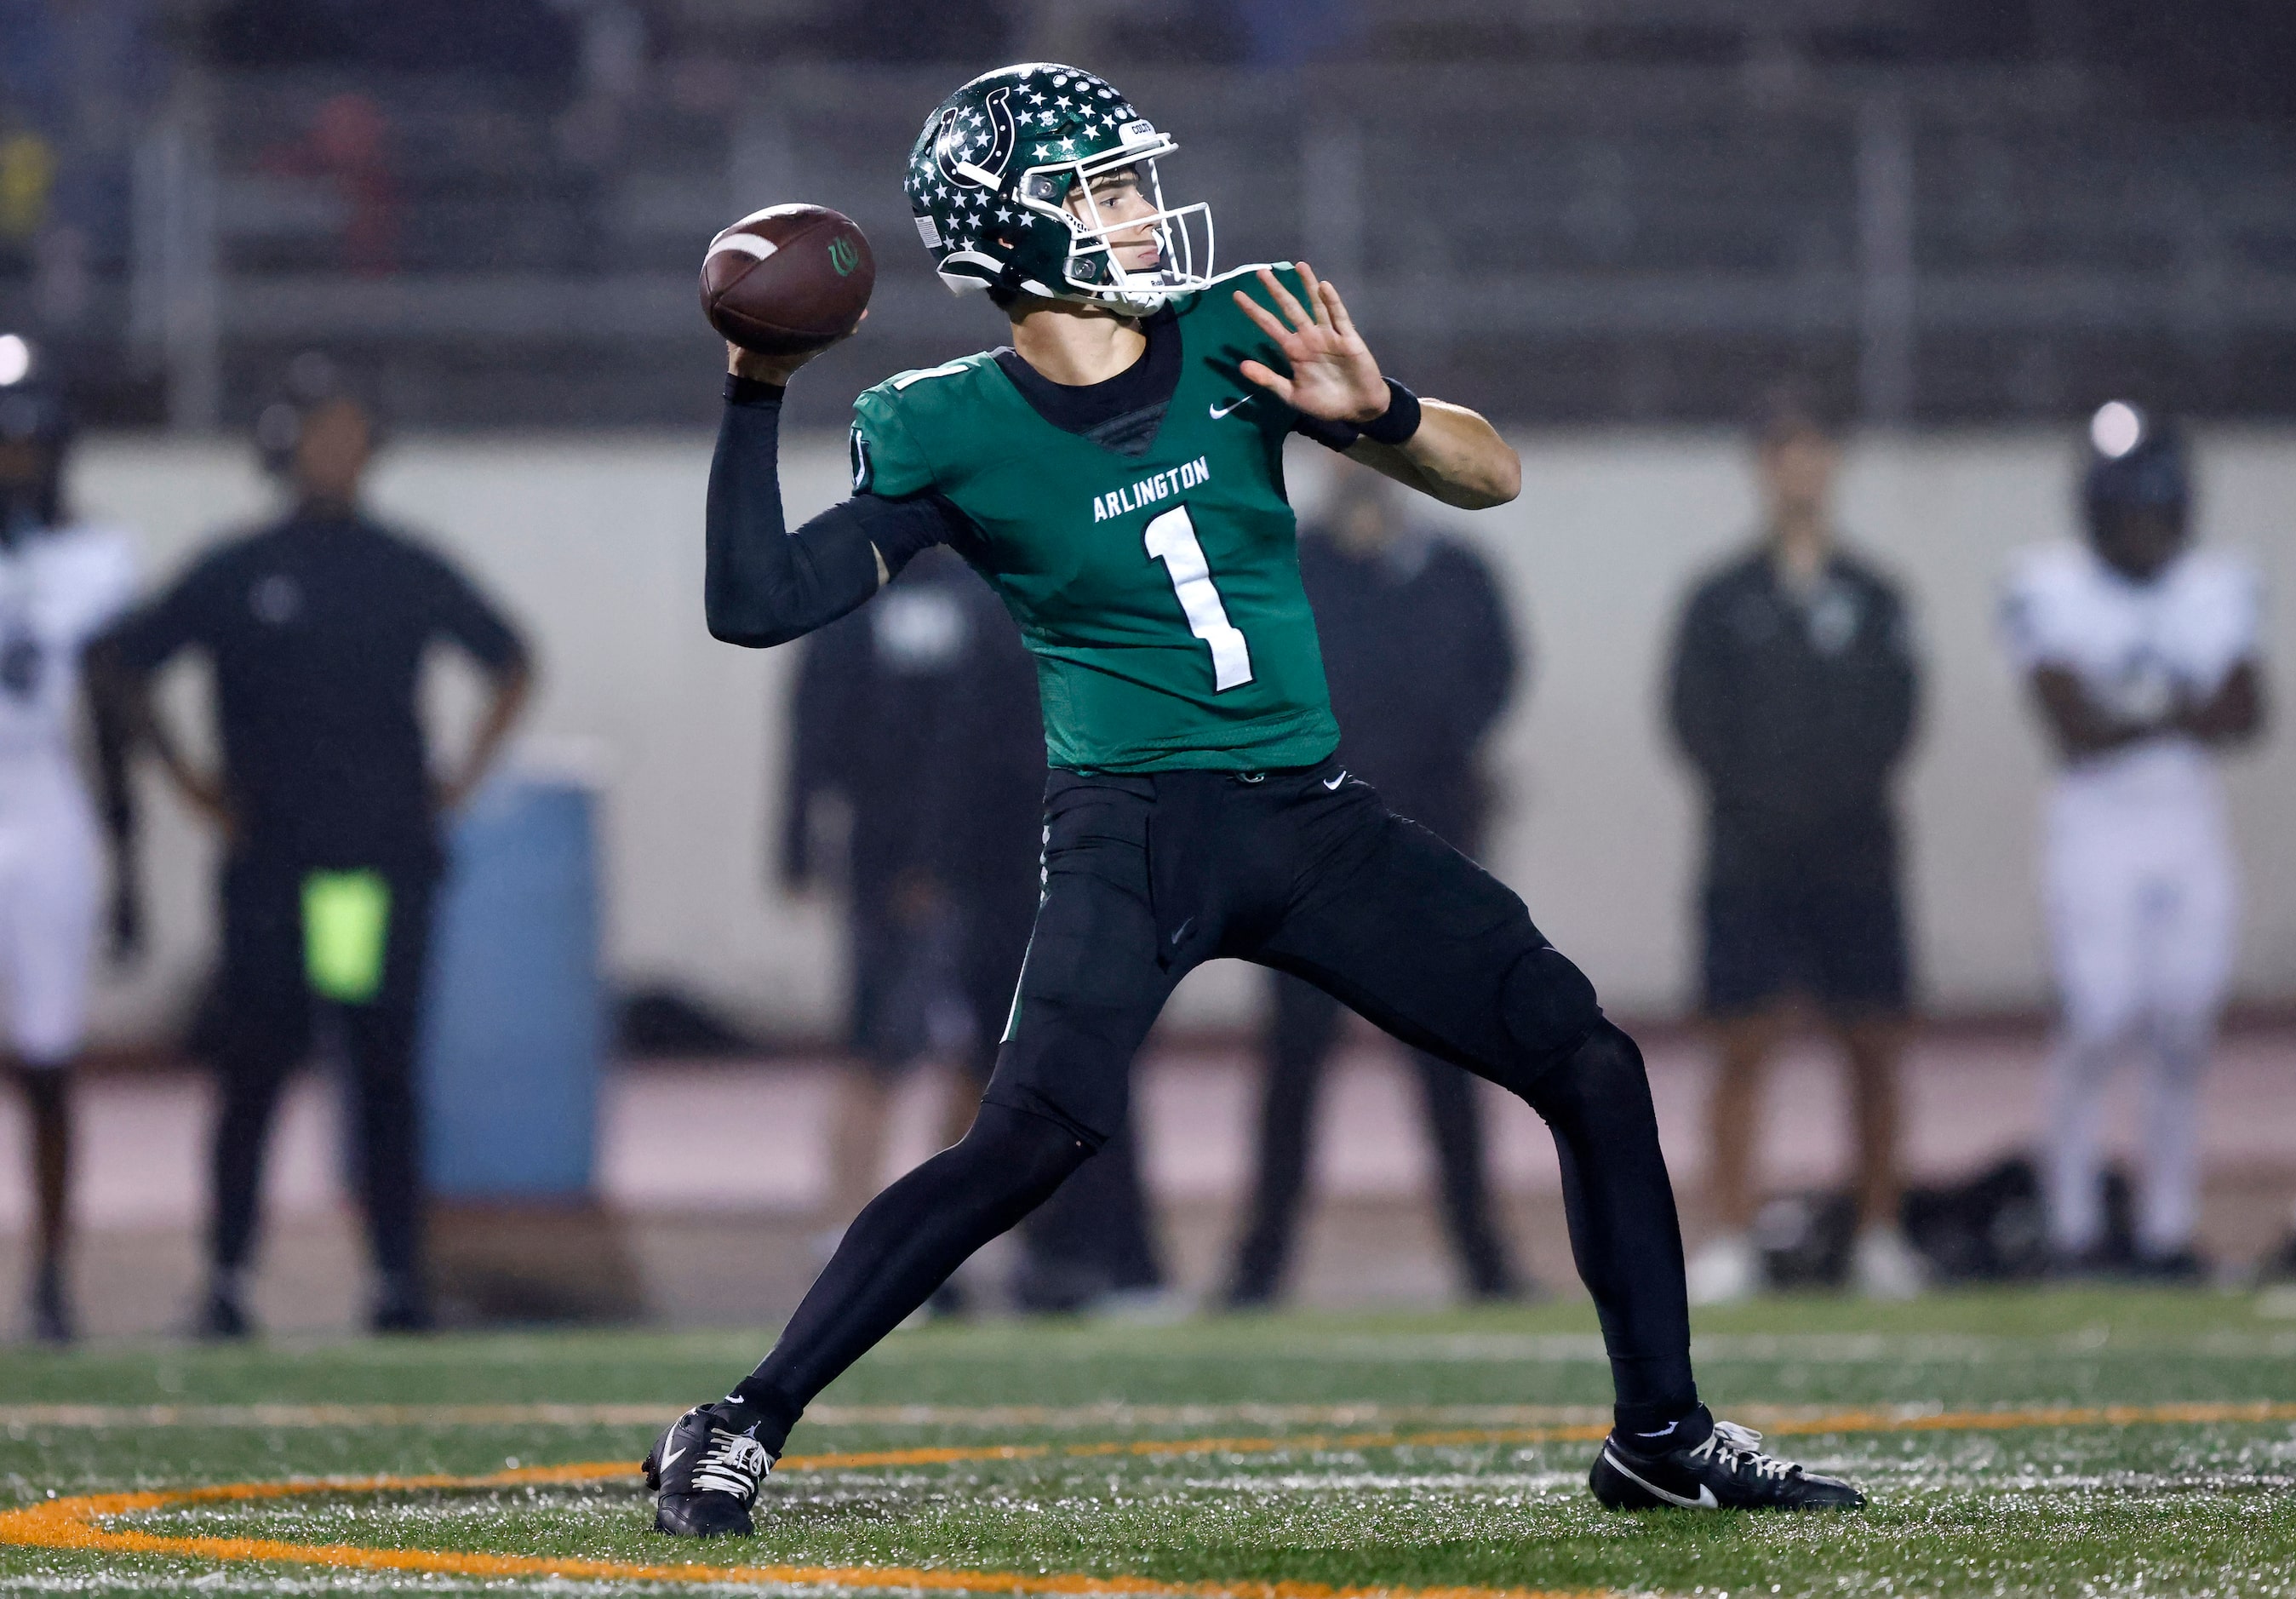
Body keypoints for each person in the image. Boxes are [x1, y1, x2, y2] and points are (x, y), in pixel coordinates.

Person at [643, 63, 1863, 1533]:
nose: (1143, 212)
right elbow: (755, 601)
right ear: (1010, 232)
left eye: (1134, 184)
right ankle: (745, 1412)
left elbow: (1493, 474)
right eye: (1101, 191)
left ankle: (1657, 1430)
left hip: (1307, 815)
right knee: (1027, 1136)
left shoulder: (1240, 330)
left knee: (1586, 1057)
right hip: (1132, 831)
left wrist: (1391, 412)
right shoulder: (945, 425)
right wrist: (752, 391)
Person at [89, 357, 533, 1338]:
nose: (338, 448)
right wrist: (188, 778)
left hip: (368, 869)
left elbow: (511, 658)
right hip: (274, 869)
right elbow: (123, 665)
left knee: (377, 1065)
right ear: (284, 445)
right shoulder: (239, 568)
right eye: (321, 430)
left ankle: (396, 1278)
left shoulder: (400, 564)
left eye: (352, 430)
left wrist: (460, 780)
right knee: (253, 1068)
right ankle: (229, 1278)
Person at [782, 546, 1166, 1313]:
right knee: (878, 1048)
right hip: (894, 868)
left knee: (981, 1056)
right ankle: (846, 1238)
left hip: (996, 866)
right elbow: (814, 723)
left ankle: (935, 1245)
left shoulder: (991, 591)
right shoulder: (857, 595)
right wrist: (800, 839)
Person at [1222, 453, 1524, 1307]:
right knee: (1292, 1070)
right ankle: (1259, 1265)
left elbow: (1493, 679)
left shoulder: (1455, 574)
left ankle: (1483, 1256)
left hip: (1425, 859)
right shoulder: (1280, 570)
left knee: (1449, 1063)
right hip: (1307, 865)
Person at [1665, 393, 1925, 1304]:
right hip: (1749, 858)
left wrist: (1829, 803)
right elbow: (1693, 723)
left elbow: (1896, 719)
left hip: (1854, 855)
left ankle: (1880, 1234)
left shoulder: (1877, 596)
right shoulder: (1718, 599)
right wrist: (1764, 805)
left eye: (1815, 451)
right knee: (1739, 1048)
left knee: (1874, 1047)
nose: (1800, 470)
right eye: (1784, 452)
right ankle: (1732, 1234)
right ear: (1761, 468)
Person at [2001, 401, 2264, 1279]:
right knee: (2099, 1014)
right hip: (2095, 824)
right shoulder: (2049, 583)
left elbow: (2247, 711)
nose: (2143, 529)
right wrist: (2180, 710)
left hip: (2184, 821)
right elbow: (2072, 726)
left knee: (2183, 1023)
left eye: (2156, 510)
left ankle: (2165, 1228)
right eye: (2128, 511)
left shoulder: (2218, 584)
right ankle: (2072, 1224)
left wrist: (2137, 713)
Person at [0, 335, 140, 1344]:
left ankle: (50, 1271)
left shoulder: (94, 560)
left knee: (47, 1060)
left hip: (45, 800)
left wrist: (131, 865)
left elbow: (108, 718)